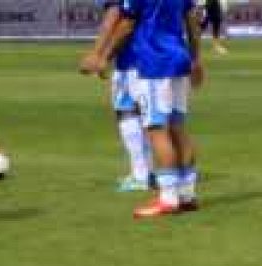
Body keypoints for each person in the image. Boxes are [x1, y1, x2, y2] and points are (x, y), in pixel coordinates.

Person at [82, 0, 202, 219]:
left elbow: (127, 24)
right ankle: (187, 194)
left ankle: (168, 198)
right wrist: (196, 59)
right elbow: (192, 19)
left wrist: (103, 57)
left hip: (154, 61)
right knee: (178, 128)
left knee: (157, 130)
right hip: (178, 57)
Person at [82, 0, 151, 193]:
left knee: (127, 112)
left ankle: (140, 175)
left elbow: (115, 16)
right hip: (156, 57)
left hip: (133, 59)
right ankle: (149, 172)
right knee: (150, 118)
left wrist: (99, 54)